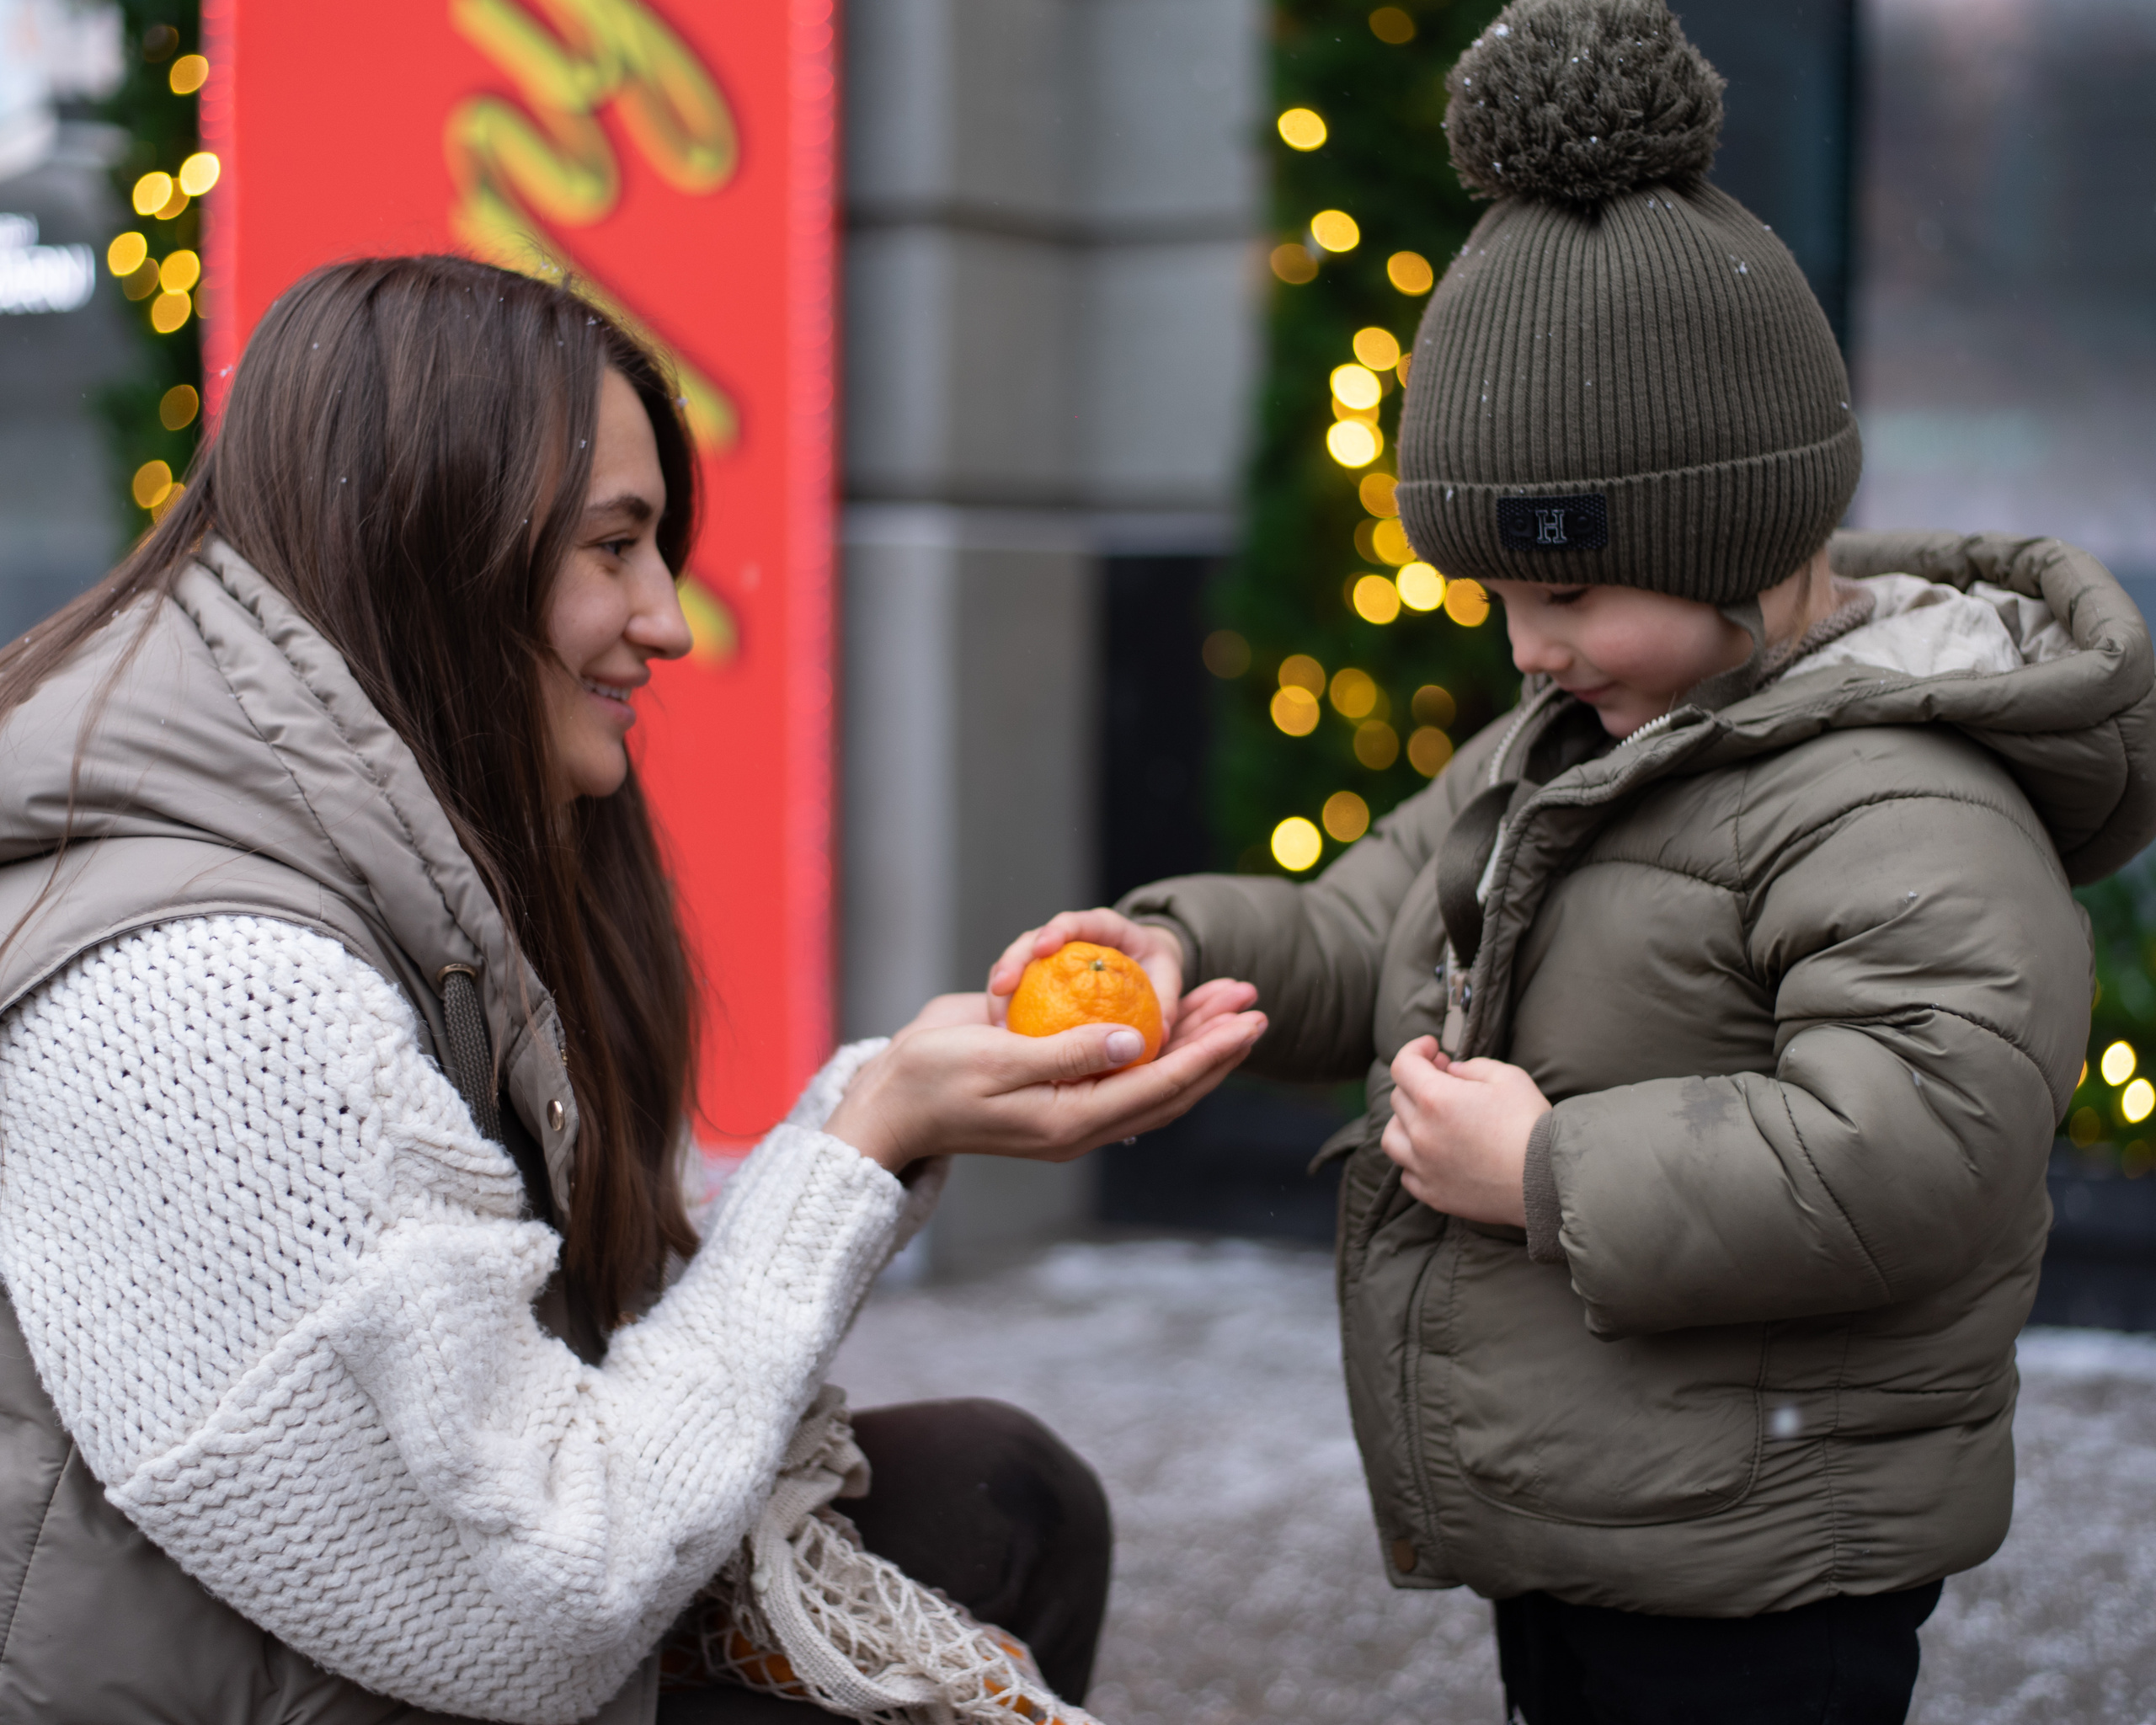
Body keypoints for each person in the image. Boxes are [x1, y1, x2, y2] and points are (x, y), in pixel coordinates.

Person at [990, 3, 2156, 1719]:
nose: (1522, 649)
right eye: (1499, 604)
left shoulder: (1906, 795)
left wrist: (1548, 1167)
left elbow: (1919, 1142)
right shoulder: (1566, 751)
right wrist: (1175, 945)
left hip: (1770, 1546)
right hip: (1598, 1509)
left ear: (1728, 548)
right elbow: (1365, 914)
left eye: (1558, 594)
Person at [0, 254, 1266, 1725]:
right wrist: (852, 1152)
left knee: (1004, 1493)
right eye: (615, 547)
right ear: (428, 541)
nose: (665, 621)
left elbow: (583, 1367)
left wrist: (896, 1111)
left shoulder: (399, 848)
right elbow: (539, 1604)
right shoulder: (212, 1001)